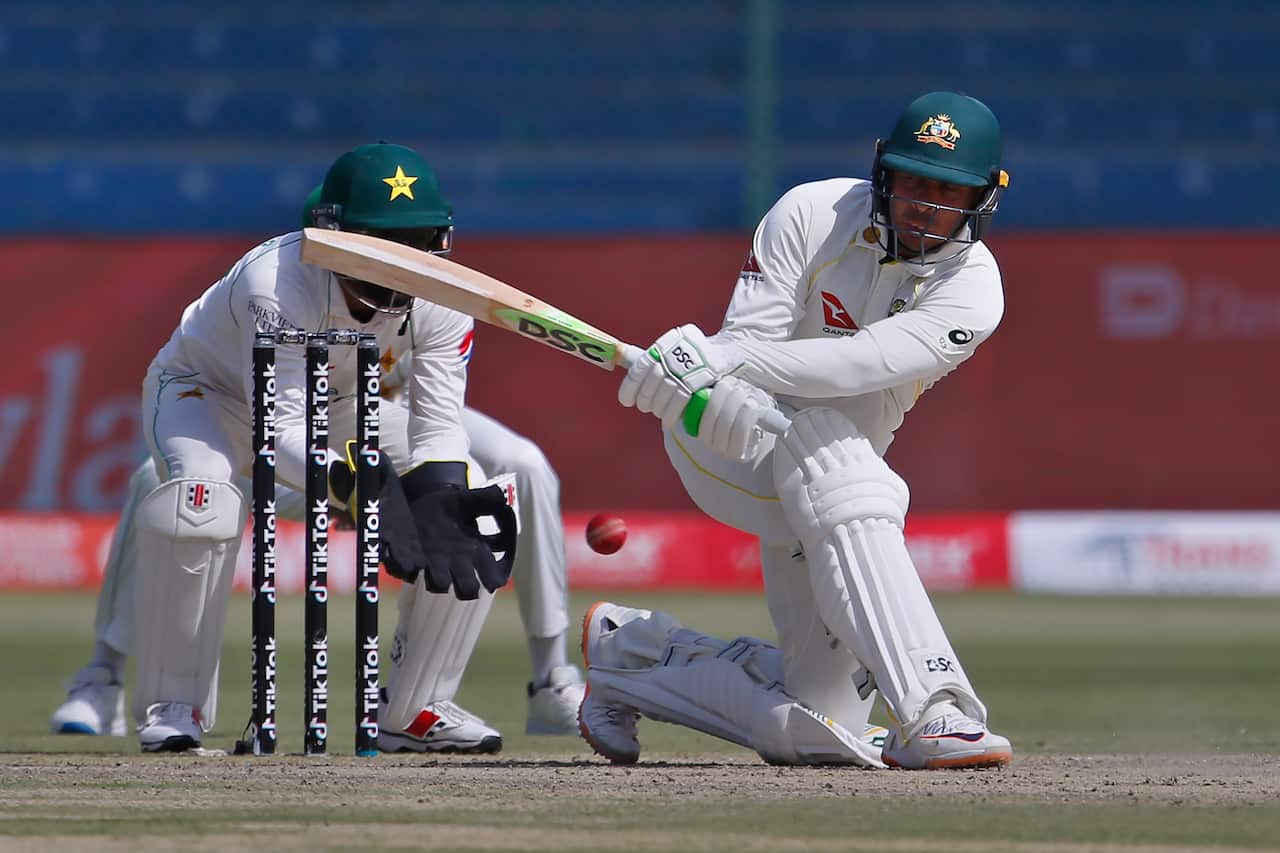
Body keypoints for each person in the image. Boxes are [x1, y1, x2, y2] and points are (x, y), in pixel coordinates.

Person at [50, 182, 587, 747]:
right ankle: (168, 704)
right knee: (196, 502)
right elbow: (278, 426)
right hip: (213, 397)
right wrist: (360, 487)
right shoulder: (276, 280)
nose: (401, 264)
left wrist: (435, 492)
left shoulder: (443, 296)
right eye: (384, 244)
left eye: (416, 243)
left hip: (348, 404)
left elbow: (436, 427)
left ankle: (417, 707)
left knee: (469, 499)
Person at [579, 91, 1014, 770]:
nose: (926, 203)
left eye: (949, 191)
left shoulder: (975, 292)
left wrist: (724, 356)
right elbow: (745, 343)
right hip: (728, 447)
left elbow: (864, 362)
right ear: (882, 173)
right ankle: (934, 707)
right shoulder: (810, 212)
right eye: (913, 182)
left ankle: (632, 654)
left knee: (818, 726)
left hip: (834, 501)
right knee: (839, 452)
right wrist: (703, 387)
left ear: (983, 200)